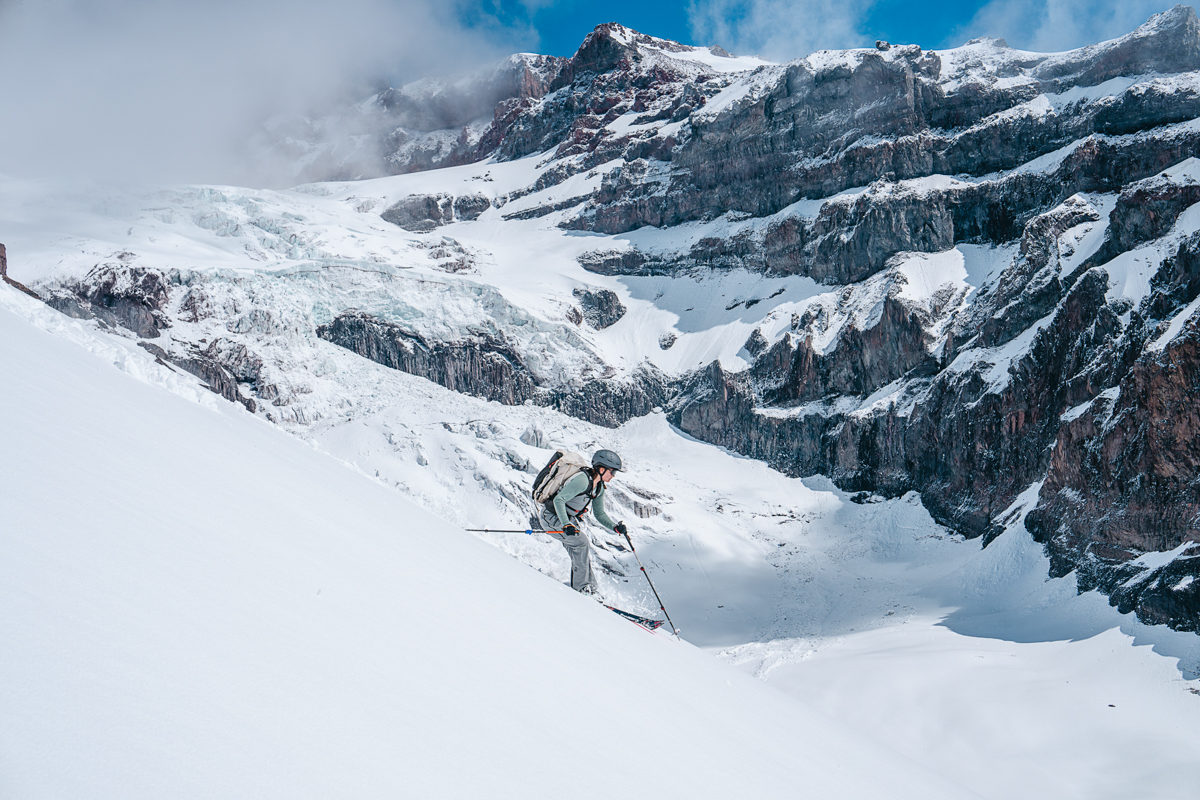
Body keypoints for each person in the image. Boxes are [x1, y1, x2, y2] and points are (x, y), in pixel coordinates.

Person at [537, 449, 629, 596]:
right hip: (551, 516)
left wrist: (615, 528)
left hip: (566, 519)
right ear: (601, 468)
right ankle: (580, 589)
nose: (613, 475)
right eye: (612, 472)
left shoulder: (598, 487)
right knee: (581, 543)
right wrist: (566, 524)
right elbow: (559, 500)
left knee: (580, 550)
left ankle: (591, 588)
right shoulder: (582, 480)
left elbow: (599, 514)